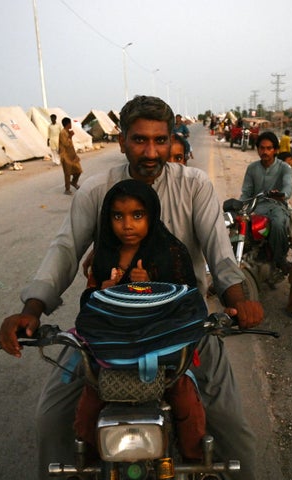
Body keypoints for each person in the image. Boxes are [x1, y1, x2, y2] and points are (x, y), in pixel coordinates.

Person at [0, 95, 263, 480]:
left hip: (183, 327)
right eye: (139, 140)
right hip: (108, 330)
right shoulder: (96, 189)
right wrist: (31, 310)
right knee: (50, 420)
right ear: (122, 140)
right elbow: (66, 249)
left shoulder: (194, 186)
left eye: (159, 140)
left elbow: (219, 252)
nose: (151, 151)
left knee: (232, 429)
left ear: (173, 140)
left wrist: (239, 301)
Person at [75, 179, 205, 461]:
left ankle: (197, 463)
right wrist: (102, 292)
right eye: (118, 216)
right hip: (114, 349)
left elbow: (186, 300)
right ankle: (86, 462)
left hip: (159, 347)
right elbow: (86, 306)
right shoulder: (104, 254)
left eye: (137, 215)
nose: (127, 225)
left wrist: (151, 284)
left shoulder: (169, 252)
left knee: (184, 396)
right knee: (89, 400)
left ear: (152, 215)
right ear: (107, 218)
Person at [240, 131, 292, 274]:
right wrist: (239, 206)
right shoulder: (252, 168)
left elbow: (288, 185)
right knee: (237, 225)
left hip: (276, 206)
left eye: (269, 148)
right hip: (255, 206)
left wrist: (283, 194)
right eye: (262, 148)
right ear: (257, 149)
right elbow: (246, 191)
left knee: (277, 224)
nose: (265, 151)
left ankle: (280, 259)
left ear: (275, 150)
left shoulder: (284, 168)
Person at [58, 117, 82, 194]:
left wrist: (75, 155)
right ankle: (67, 189)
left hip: (71, 155)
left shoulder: (67, 132)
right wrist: (70, 136)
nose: (71, 124)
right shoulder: (62, 133)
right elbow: (66, 144)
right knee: (67, 173)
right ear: (67, 124)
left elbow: (71, 145)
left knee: (79, 170)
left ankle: (74, 182)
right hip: (65, 156)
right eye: (70, 123)